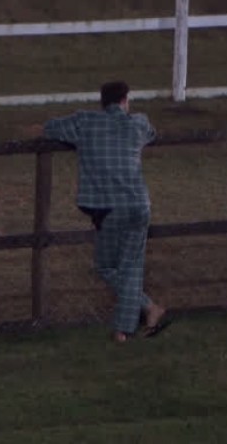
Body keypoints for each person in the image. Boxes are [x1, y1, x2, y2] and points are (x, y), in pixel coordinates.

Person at [43, 81, 170, 343]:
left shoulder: (85, 122)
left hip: (108, 207)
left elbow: (51, 128)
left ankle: (127, 327)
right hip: (139, 204)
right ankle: (142, 313)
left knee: (106, 266)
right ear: (125, 100)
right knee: (130, 267)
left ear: (102, 102)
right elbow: (152, 132)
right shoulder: (138, 123)